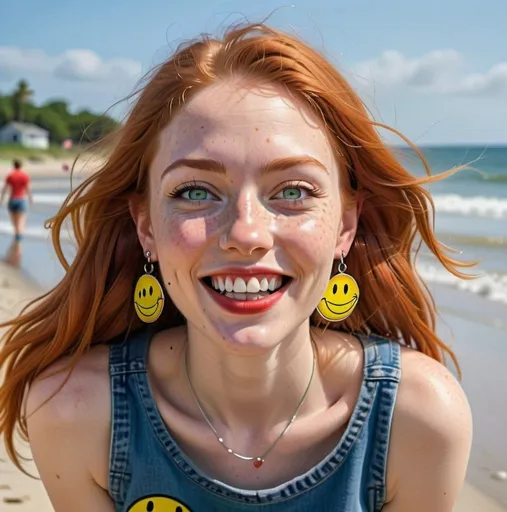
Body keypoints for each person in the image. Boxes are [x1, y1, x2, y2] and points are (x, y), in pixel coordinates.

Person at [0, 24, 473, 511]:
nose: (246, 234)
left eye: (292, 191)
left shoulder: (415, 421)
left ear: (345, 225)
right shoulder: (76, 412)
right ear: (145, 226)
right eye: (195, 192)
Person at [0, 159, 32, 241]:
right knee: (21, 222)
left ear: (14, 165)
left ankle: (16, 238)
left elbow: (4, 189)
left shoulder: (10, 176)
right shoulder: (24, 176)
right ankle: (19, 240)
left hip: (12, 200)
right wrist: (30, 199)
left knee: (14, 223)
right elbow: (28, 189)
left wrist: (1, 199)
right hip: (21, 200)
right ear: (21, 166)